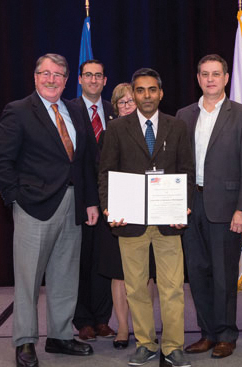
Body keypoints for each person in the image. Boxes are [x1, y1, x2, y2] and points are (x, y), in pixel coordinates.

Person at [0, 53, 99, 367]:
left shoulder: (76, 110)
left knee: (66, 275)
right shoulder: (19, 111)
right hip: (33, 208)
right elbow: (1, 161)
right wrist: (17, 199)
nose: (51, 79)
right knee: (28, 279)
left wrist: (90, 201)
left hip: (73, 204)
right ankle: (25, 341)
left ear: (67, 80)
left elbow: (85, 162)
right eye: (45, 73)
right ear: (36, 76)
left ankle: (61, 335)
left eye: (58, 74)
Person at [98, 68, 194, 367]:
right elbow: (106, 174)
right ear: (134, 94)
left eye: (152, 90)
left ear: (160, 93)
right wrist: (107, 208)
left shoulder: (176, 126)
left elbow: (187, 172)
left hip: (168, 221)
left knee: (172, 287)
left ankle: (173, 346)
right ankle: (145, 343)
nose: (147, 96)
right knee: (136, 287)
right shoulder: (116, 129)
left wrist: (184, 208)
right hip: (130, 222)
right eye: (140, 90)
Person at [176, 54, 242, 359]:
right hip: (189, 204)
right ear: (198, 78)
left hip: (226, 206)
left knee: (224, 273)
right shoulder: (183, 115)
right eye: (204, 74)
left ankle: (226, 334)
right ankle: (207, 333)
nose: (210, 79)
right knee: (197, 272)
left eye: (216, 74)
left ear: (226, 78)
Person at [98, 82, 156, 349]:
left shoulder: (154, 130)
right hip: (120, 212)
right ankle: (122, 327)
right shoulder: (109, 133)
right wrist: (109, 206)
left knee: (148, 273)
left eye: (131, 101)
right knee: (120, 274)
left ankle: (145, 325)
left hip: (152, 211)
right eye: (121, 102)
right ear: (115, 107)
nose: (127, 106)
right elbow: (104, 173)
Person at [72, 59, 116, 343]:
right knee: (81, 261)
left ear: (105, 80)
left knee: (106, 261)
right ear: (79, 79)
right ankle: (83, 319)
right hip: (80, 198)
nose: (93, 80)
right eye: (88, 75)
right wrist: (89, 198)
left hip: (111, 200)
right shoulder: (68, 110)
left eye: (98, 75)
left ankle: (102, 318)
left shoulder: (115, 111)